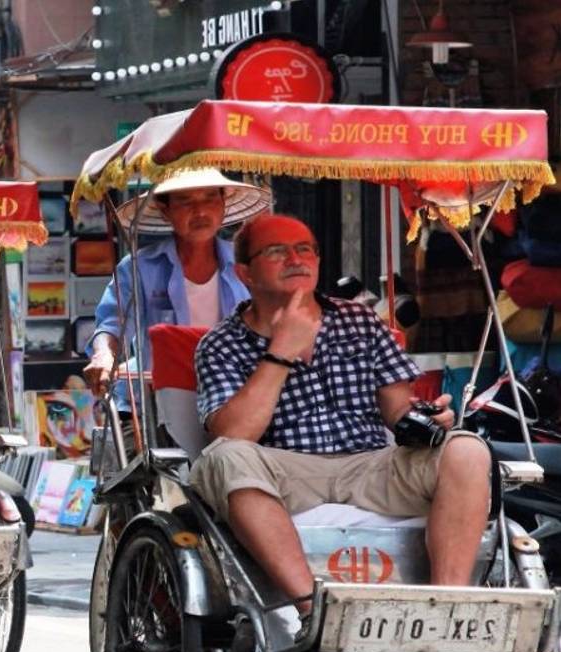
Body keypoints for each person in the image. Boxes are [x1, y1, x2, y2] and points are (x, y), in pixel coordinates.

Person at [189, 214, 491, 627]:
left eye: (304, 249)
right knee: (225, 457)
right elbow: (236, 433)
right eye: (277, 251)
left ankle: (450, 612)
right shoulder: (221, 343)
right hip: (285, 471)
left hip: (370, 464)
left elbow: (398, 411)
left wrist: (430, 417)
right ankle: (313, 611)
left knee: (468, 450)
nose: (295, 259)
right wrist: (281, 351)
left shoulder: (360, 321)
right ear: (244, 273)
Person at [83, 170, 271, 410]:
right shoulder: (138, 268)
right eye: (185, 201)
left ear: (223, 204)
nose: (200, 211)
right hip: (152, 405)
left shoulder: (249, 265)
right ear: (165, 210)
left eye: (210, 197)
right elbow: (112, 325)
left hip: (235, 402)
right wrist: (103, 356)